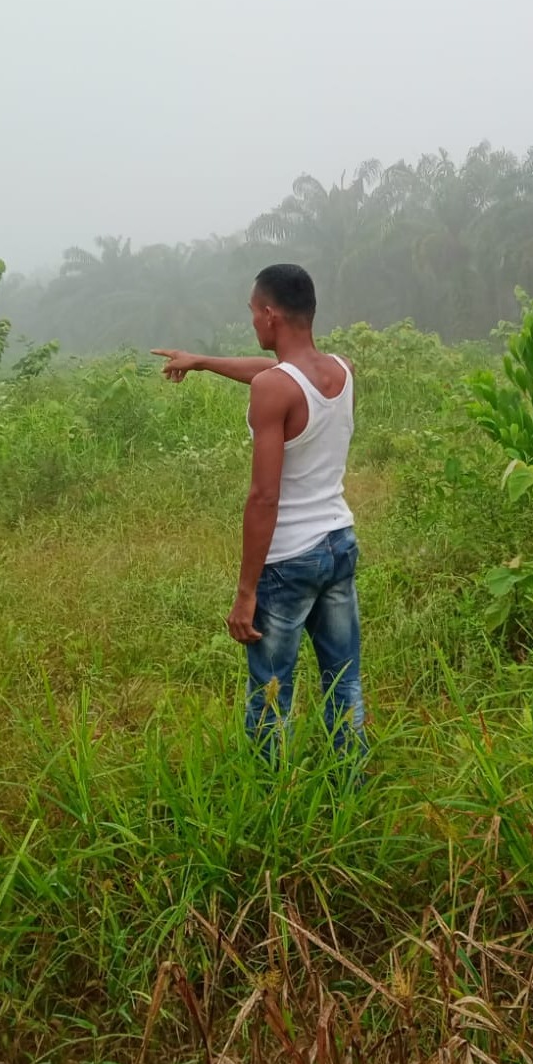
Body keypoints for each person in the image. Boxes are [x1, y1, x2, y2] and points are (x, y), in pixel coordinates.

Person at [152, 264, 366, 767]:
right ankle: (350, 786)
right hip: (339, 541)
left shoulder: (275, 389)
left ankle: (273, 804)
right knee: (345, 680)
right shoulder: (342, 368)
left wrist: (245, 593)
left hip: (289, 560)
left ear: (270, 314)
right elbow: (272, 373)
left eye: (253, 312)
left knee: (271, 696)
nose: (252, 322)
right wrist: (202, 361)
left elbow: (263, 497)